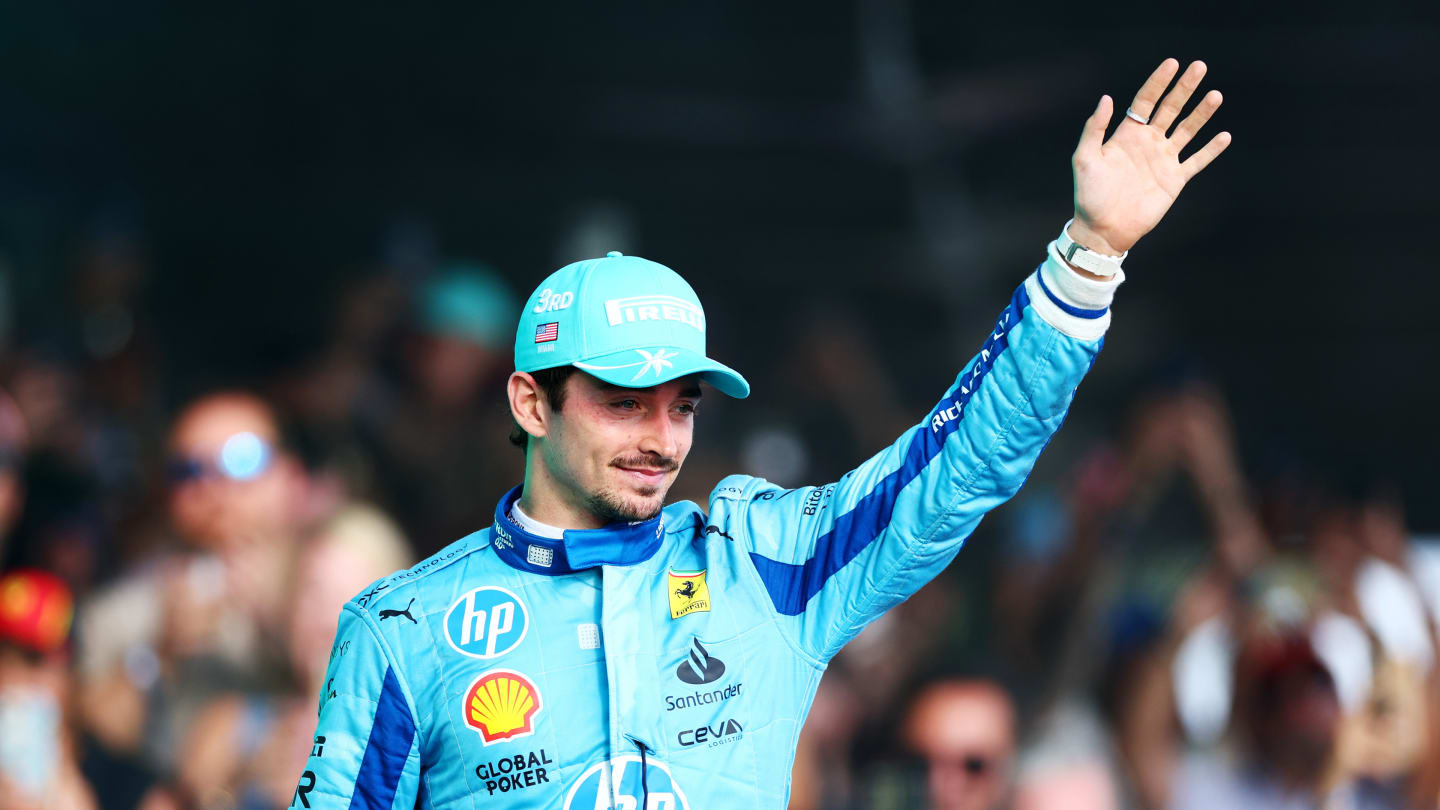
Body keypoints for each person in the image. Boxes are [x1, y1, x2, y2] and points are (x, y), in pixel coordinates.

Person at [295, 58, 1231, 808]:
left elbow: (960, 468)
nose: (662, 436)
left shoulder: (764, 562)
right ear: (531, 405)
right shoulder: (400, 629)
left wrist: (1088, 261)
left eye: (683, 404)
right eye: (624, 401)